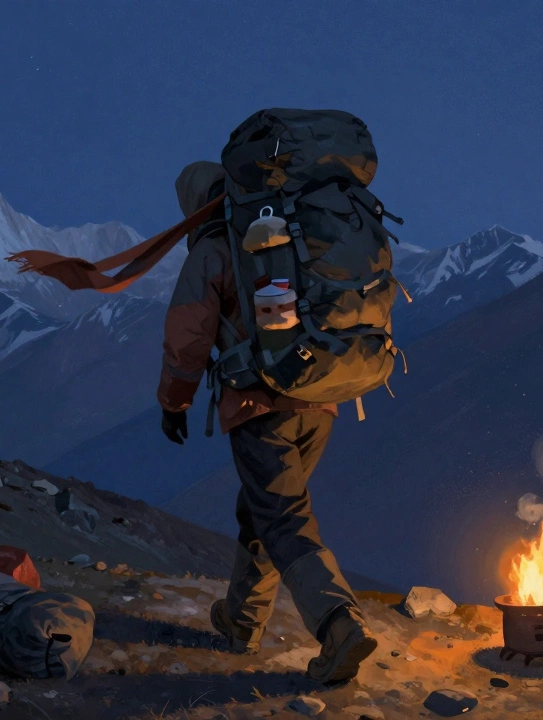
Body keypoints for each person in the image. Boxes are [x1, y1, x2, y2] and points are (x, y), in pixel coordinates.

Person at [157, 160, 378, 685]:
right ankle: (242, 622)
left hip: (261, 407)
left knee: (282, 518)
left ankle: (337, 623)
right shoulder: (295, 232)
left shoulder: (216, 247)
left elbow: (187, 336)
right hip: (323, 398)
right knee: (264, 508)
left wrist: (174, 403)